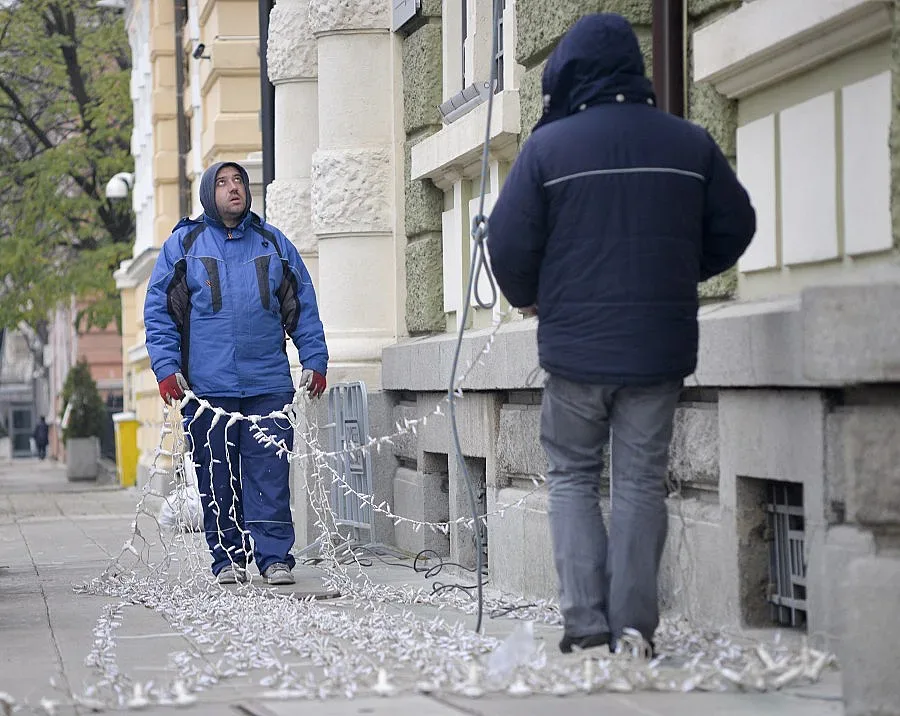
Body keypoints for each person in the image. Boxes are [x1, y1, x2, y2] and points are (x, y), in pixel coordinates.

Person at [487, 14, 755, 654]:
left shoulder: (548, 150)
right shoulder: (687, 143)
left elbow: (506, 241)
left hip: (576, 349)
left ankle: (585, 621)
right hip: (657, 350)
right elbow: (736, 226)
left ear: (569, 75)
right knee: (639, 481)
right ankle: (634, 628)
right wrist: (678, 270)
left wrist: (532, 297)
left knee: (574, 478)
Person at [144, 161, 328, 586]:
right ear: (210, 193)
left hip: (268, 385)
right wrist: (167, 368)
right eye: (224, 183)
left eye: (239, 182)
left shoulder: (273, 243)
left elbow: (301, 305)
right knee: (216, 477)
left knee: (269, 477)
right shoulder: (184, 245)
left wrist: (315, 359)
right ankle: (227, 558)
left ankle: (274, 559)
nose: (234, 189)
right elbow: (159, 312)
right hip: (208, 389)